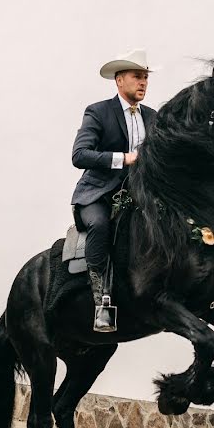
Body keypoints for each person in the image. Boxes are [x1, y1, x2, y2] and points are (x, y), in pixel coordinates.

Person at [71, 49, 157, 333]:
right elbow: (80, 155)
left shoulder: (153, 117)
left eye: (145, 77)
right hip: (97, 195)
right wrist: (124, 158)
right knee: (100, 226)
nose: (143, 82)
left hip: (138, 197)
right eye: (137, 77)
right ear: (120, 80)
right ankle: (102, 302)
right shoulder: (98, 112)